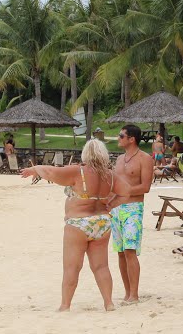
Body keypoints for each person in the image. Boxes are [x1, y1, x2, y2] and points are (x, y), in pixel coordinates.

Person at [20, 139, 129, 311]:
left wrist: (34, 169)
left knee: (72, 267)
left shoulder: (78, 171)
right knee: (101, 266)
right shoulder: (110, 175)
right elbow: (127, 192)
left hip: (78, 223)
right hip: (101, 222)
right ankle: (108, 303)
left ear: (86, 153)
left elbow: (50, 171)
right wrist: (111, 204)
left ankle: (65, 305)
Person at [110, 124, 154, 304]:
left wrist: (125, 193)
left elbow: (145, 187)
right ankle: (127, 293)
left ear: (131, 139)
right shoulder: (119, 159)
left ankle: (134, 295)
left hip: (133, 208)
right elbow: (113, 183)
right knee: (120, 252)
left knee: (130, 250)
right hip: (116, 209)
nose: (118, 138)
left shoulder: (145, 159)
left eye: (121, 136)